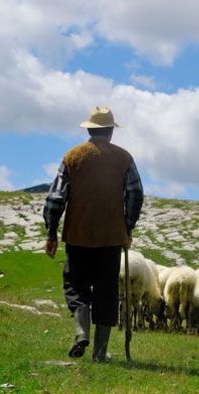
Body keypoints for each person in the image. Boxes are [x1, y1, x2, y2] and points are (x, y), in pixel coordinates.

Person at [43, 106, 144, 362]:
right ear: (110, 131)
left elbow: (56, 198)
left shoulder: (73, 157)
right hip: (111, 238)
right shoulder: (124, 158)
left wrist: (51, 234)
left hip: (77, 236)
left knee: (75, 287)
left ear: (89, 129)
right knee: (107, 291)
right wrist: (127, 226)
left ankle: (80, 332)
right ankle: (100, 353)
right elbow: (135, 193)